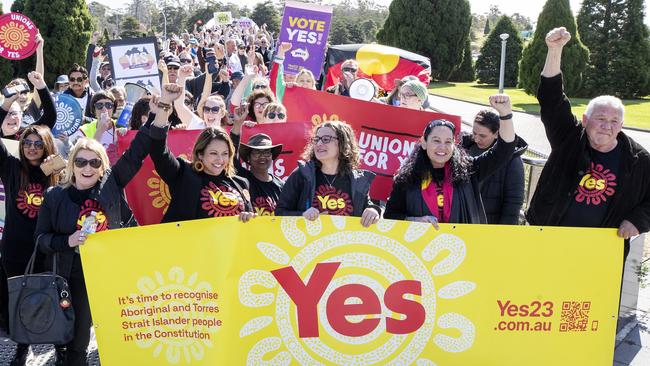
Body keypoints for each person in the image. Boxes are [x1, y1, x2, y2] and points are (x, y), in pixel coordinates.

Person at [34, 95, 154, 365]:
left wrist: (158, 117)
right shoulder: (54, 197)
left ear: (102, 168)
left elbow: (137, 153)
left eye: (94, 162)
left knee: (112, 336)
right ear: (72, 164)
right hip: (70, 277)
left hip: (107, 274)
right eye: (81, 162)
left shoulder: (111, 187)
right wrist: (68, 240)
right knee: (74, 341)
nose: (87, 168)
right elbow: (41, 240)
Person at [526, 27, 650, 261]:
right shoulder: (569, 138)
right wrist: (555, 50)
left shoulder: (639, 160)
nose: (607, 126)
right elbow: (552, 99)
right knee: (539, 297)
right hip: (547, 240)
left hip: (600, 254)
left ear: (622, 125)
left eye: (614, 121)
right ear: (585, 120)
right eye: (601, 119)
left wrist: (638, 220)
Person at [384, 94, 516, 225]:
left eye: (448, 142)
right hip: (419, 244)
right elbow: (390, 215)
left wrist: (506, 115)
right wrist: (414, 221)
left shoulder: (468, 171)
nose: (442, 147)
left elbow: (504, 150)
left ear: (454, 145)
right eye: (436, 140)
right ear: (423, 142)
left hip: (463, 244)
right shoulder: (406, 178)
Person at [0, 125, 62, 366]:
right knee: (18, 302)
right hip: (15, 249)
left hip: (47, 247)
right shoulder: (11, 168)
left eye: (38, 144)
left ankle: (61, 347)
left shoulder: (55, 170)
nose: (32, 148)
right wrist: (7, 102)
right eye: (27, 143)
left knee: (55, 299)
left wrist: (62, 167)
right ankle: (22, 349)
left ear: (46, 145)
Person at [148, 86, 256, 223]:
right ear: (200, 154)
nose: (220, 159)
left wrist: (249, 219)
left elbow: (249, 223)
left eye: (225, 154)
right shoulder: (184, 175)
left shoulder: (241, 183)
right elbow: (158, 151)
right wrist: (164, 104)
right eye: (213, 153)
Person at [276, 121, 382, 227]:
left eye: (326, 139)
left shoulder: (357, 180)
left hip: (346, 242)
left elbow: (369, 207)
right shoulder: (301, 174)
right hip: (308, 242)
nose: (319, 144)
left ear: (342, 143)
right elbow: (280, 212)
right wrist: (302, 215)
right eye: (316, 139)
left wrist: (373, 210)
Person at [461, 109, 527, 224]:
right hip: (465, 221)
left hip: (492, 224)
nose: (476, 139)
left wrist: (504, 231)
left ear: (497, 133)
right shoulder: (463, 148)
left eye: (482, 136)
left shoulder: (512, 159)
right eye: (474, 133)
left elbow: (513, 201)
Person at [230, 113, 284, 215]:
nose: (262, 156)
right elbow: (232, 153)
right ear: (248, 158)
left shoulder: (280, 185)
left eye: (267, 152)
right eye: (257, 152)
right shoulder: (242, 179)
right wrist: (238, 124)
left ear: (272, 156)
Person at [0, 72, 57, 140]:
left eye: (14, 113)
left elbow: (50, 116)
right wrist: (7, 103)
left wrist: (41, 87)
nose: (12, 117)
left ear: (21, 116)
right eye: (7, 114)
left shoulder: (28, 134)